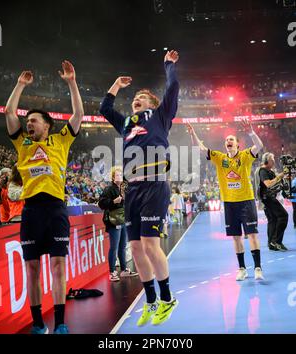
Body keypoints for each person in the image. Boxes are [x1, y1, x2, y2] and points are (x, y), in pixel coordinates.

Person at [100, 50, 179, 326]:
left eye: (141, 97)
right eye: (135, 98)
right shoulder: (126, 124)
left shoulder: (159, 115)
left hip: (155, 183)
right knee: (134, 249)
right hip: (132, 188)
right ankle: (150, 301)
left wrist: (168, 65)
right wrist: (116, 86)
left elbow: (174, 87)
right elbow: (104, 109)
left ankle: (168, 299)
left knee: (149, 243)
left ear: (152, 103)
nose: (136, 99)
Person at [5, 61, 84, 334]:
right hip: (32, 211)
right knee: (32, 268)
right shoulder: (22, 143)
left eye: (34, 121)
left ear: (47, 125)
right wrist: (20, 85)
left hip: (56, 209)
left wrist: (72, 82)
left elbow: (78, 114)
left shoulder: (61, 140)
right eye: (27, 122)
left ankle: (61, 323)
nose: (28, 124)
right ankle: (38, 324)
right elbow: (9, 112)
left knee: (59, 265)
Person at [187, 119, 264, 281]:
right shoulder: (219, 158)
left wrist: (251, 132)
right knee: (236, 237)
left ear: (237, 145)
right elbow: (200, 148)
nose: (228, 141)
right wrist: (193, 134)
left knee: (252, 235)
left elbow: (259, 146)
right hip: (229, 203)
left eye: (231, 139)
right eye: (226, 140)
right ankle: (242, 269)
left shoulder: (245, 156)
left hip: (246, 201)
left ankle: (258, 268)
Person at [98, 166, 138, 281]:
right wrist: (113, 201)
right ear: (113, 177)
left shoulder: (123, 189)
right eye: (117, 175)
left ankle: (124, 270)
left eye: (121, 175)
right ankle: (112, 272)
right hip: (113, 221)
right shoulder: (109, 189)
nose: (119, 177)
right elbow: (101, 204)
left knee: (123, 246)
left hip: (123, 219)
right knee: (114, 247)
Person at [256, 152, 288, 251]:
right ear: (267, 161)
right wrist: (280, 175)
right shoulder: (263, 171)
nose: (274, 161)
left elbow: (276, 181)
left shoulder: (270, 171)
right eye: (272, 159)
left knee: (273, 220)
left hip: (268, 198)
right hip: (268, 198)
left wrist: (284, 177)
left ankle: (271, 244)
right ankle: (276, 241)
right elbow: (268, 184)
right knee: (283, 216)